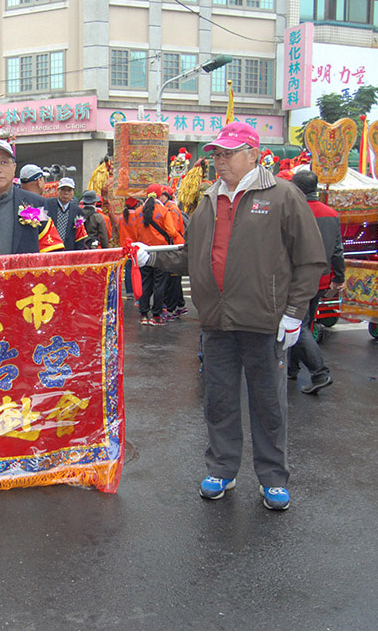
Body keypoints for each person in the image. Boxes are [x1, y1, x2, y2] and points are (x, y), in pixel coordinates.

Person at [137, 122, 326, 511]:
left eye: (227, 153)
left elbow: (310, 260)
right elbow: (191, 256)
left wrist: (294, 313)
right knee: (219, 400)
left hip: (264, 321)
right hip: (216, 322)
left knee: (268, 403)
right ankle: (222, 469)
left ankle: (273, 477)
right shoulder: (207, 200)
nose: (219, 161)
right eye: (216, 154)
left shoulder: (283, 196)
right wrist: (151, 255)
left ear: (253, 154)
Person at [287, 170, 345, 394]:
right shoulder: (331, 213)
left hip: (296, 280)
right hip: (320, 279)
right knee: (305, 321)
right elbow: (338, 251)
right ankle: (292, 367)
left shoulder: (294, 211)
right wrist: (338, 278)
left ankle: (319, 372)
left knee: (297, 324)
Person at [135, 192, 178, 325]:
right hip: (161, 252)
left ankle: (143, 314)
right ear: (160, 197)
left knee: (145, 283)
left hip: (144, 252)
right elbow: (171, 232)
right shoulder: (164, 211)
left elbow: (135, 233)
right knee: (159, 284)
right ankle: (156, 316)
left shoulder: (137, 211)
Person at [159, 186, 188, 319]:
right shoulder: (167, 208)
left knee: (173, 279)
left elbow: (173, 231)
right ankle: (180, 305)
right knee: (174, 279)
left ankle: (171, 309)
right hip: (172, 246)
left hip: (174, 246)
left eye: (161, 196)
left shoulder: (171, 209)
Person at [44, 177, 82, 252]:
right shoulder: (47, 205)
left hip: (69, 251)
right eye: (63, 189)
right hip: (50, 249)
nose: (66, 193)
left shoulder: (77, 210)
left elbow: (79, 234)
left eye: (69, 190)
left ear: (73, 192)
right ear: (58, 191)